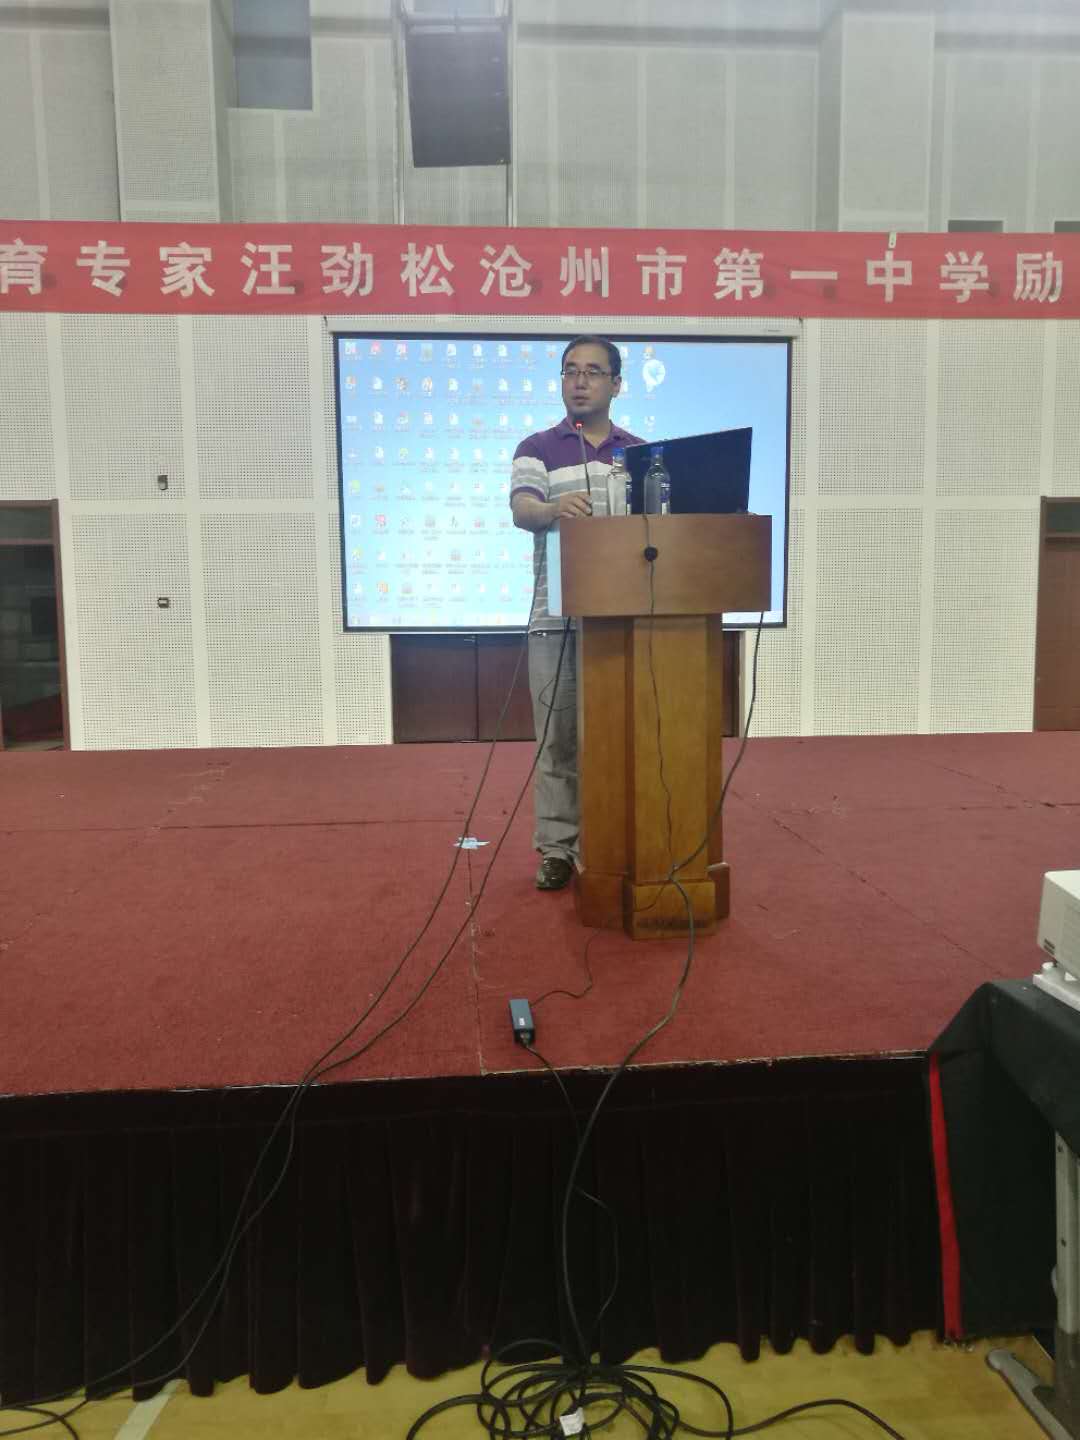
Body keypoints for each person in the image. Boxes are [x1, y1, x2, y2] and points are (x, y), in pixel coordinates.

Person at [509, 337, 644, 890]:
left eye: (592, 372)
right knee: (558, 740)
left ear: (616, 384)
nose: (580, 381)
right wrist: (552, 508)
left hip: (622, 619)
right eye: (570, 371)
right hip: (555, 619)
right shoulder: (538, 446)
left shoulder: (638, 452)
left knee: (617, 737)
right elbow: (522, 510)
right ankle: (558, 850)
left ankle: (614, 839)